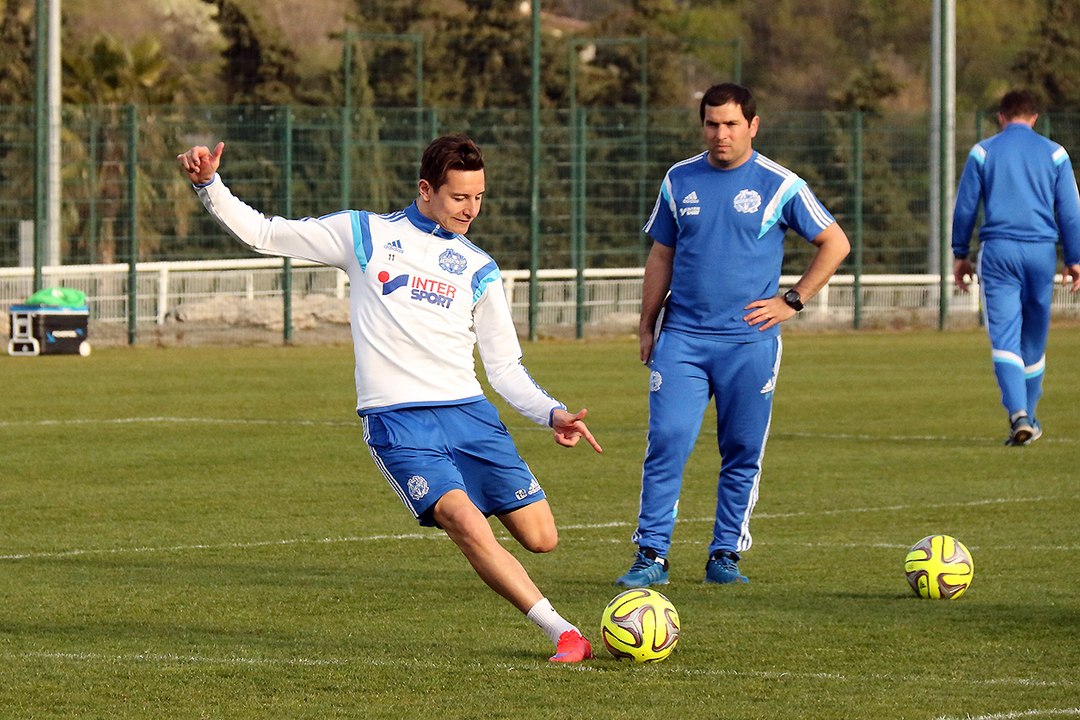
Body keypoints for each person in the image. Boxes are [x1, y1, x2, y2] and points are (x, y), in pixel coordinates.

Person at [177, 134, 602, 663]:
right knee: (465, 523)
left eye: (478, 198)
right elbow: (265, 232)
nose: (470, 210)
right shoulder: (364, 234)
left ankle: (484, 516)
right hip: (399, 423)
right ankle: (564, 633)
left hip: (470, 416)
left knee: (542, 539)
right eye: (459, 198)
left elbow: (504, 367)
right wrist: (208, 186)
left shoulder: (480, 269)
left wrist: (552, 413)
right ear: (426, 189)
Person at [615, 83, 850, 588]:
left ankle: (725, 555)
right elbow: (662, 254)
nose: (721, 134)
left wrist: (793, 301)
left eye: (731, 124)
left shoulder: (780, 185)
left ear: (753, 126)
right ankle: (651, 554)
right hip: (683, 338)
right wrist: (646, 323)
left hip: (751, 342)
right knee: (668, 441)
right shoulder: (679, 179)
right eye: (712, 124)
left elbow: (835, 242)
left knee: (742, 449)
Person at [952, 89, 1080, 446]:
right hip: (1041, 252)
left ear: (1001, 117)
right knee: (1035, 337)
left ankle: (1019, 415)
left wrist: (960, 252)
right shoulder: (1055, 154)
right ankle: (1031, 418)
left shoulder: (984, 151)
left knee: (1005, 334)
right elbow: (1070, 210)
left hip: (999, 252)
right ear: (1035, 118)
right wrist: (1075, 258)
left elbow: (965, 207)